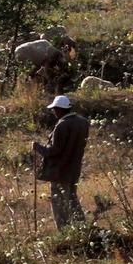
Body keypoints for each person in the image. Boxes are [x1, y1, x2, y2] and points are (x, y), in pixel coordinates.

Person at [32, 95, 89, 229]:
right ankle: (82, 228)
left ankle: (64, 232)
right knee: (72, 200)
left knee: (59, 204)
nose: (54, 112)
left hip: (60, 171)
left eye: (55, 109)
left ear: (59, 109)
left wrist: (38, 147)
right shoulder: (82, 122)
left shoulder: (62, 125)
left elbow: (54, 150)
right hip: (74, 169)